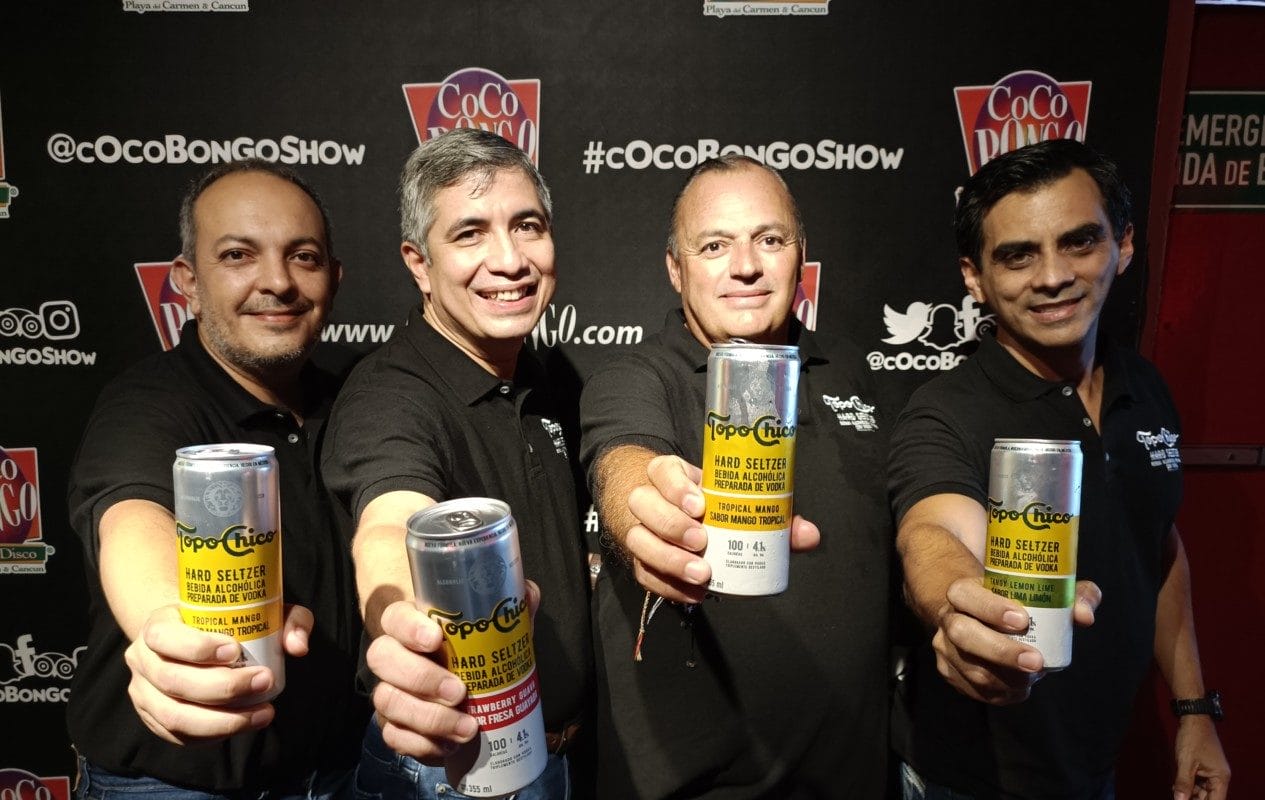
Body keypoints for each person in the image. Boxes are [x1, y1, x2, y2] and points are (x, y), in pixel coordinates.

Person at [888, 139, 1231, 800]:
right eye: (1017, 255)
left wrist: (1193, 712)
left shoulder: (1145, 388)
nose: (1051, 276)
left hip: (1094, 770)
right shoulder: (945, 412)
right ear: (973, 277)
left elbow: (1156, 546)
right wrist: (960, 607)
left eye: (1078, 242)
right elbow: (932, 535)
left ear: (1122, 245)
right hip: (969, 782)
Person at [579, 155, 893, 798]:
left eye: (769, 240)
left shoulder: (851, 371)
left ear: (800, 255)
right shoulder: (635, 378)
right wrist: (652, 516)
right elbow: (625, 463)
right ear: (676, 268)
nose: (745, 266)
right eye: (714, 245)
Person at [66, 159, 367, 798]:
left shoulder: (358, 397)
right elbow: (131, 519)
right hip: (172, 784)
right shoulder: (145, 405)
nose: (277, 281)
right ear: (188, 282)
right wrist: (167, 635)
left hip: (342, 774)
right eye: (237, 255)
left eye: (304, 257)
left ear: (334, 279)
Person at [320, 128, 593, 799]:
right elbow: (391, 519)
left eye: (526, 226)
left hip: (561, 758)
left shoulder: (544, 376)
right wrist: (402, 628)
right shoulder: (389, 394)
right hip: (452, 769)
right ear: (419, 263)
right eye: (470, 234)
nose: (510, 260)